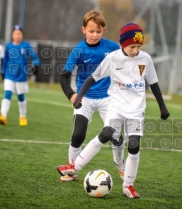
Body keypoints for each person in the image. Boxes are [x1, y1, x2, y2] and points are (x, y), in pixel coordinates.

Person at [60, 23, 170, 198]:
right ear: (122, 44)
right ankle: (75, 167)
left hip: (136, 110)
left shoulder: (146, 59)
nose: (135, 50)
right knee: (107, 133)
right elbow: (92, 78)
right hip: (116, 106)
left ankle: (128, 185)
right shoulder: (112, 58)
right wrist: (79, 96)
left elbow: (154, 83)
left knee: (133, 146)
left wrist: (162, 107)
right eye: (132, 46)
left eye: (138, 47)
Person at [57, 10, 125, 182]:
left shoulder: (112, 48)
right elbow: (63, 76)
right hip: (85, 97)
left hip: (108, 98)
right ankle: (72, 170)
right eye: (91, 31)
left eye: (98, 31)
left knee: (116, 135)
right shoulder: (79, 50)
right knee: (78, 135)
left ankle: (120, 164)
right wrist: (71, 95)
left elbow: (127, 64)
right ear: (83, 30)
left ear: (103, 30)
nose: (95, 35)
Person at [0, 25, 39, 126]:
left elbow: (35, 57)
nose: (17, 36)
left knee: (21, 97)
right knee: (7, 94)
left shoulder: (26, 46)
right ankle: (3, 116)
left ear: (22, 35)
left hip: (22, 76)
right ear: (12, 35)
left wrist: (36, 66)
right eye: (15, 34)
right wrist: (3, 72)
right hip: (9, 75)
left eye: (19, 34)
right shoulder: (8, 46)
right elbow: (5, 61)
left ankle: (22, 116)